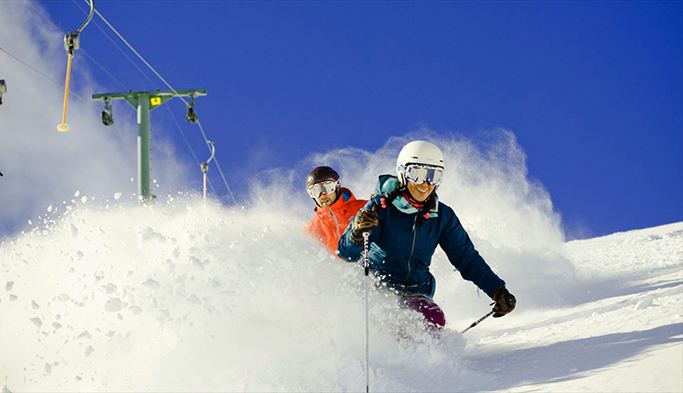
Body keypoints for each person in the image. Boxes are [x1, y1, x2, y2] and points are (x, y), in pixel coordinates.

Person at [337, 140, 516, 331]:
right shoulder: (380, 208)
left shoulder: (441, 216)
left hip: (415, 291)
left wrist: (497, 289)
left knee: (431, 319)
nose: (425, 183)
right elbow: (346, 253)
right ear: (403, 173)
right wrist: (356, 233)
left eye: (434, 175)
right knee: (378, 321)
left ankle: (420, 359)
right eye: (418, 173)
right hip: (374, 287)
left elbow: (467, 259)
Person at [304, 166, 367, 257]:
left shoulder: (363, 208)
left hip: (369, 266)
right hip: (335, 270)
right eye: (315, 191)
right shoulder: (311, 229)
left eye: (326, 188)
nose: (322, 195)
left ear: (337, 185)